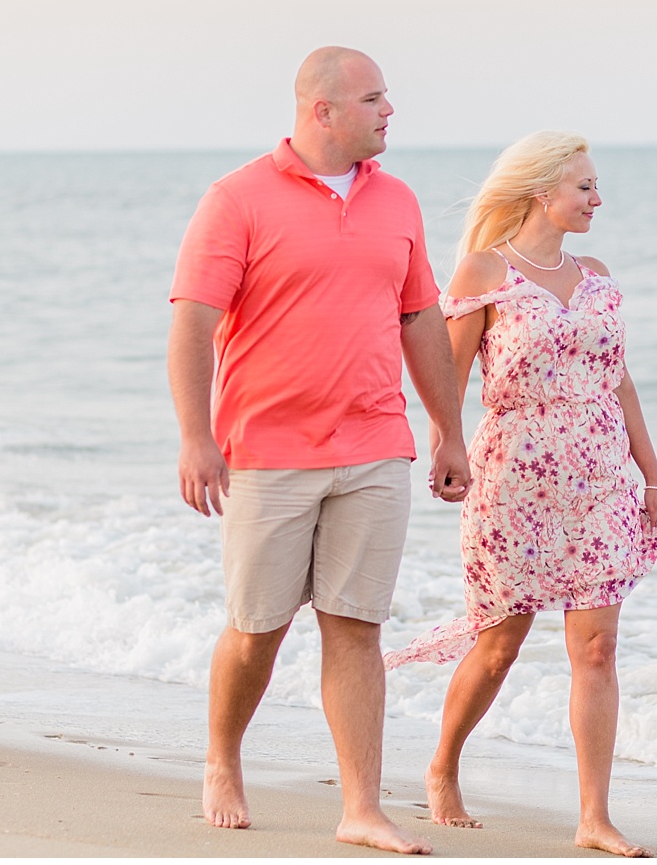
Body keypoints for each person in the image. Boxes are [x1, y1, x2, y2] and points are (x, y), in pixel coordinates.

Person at [167, 46, 471, 855]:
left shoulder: (398, 201)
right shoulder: (236, 199)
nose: (390, 111)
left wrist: (448, 429)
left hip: (375, 445)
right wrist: (197, 437)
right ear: (322, 110)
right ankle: (223, 759)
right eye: (374, 98)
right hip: (267, 452)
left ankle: (361, 807)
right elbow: (194, 323)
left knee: (355, 625)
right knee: (257, 628)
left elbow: (420, 321)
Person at [385, 131, 657, 858]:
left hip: (602, 477)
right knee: (499, 643)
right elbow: (444, 376)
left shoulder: (599, 275)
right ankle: (443, 765)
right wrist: (447, 444)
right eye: (585, 187)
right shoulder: (486, 271)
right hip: (513, 477)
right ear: (543, 191)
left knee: (598, 647)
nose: (597, 199)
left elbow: (620, 380)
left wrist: (653, 474)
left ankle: (594, 816)